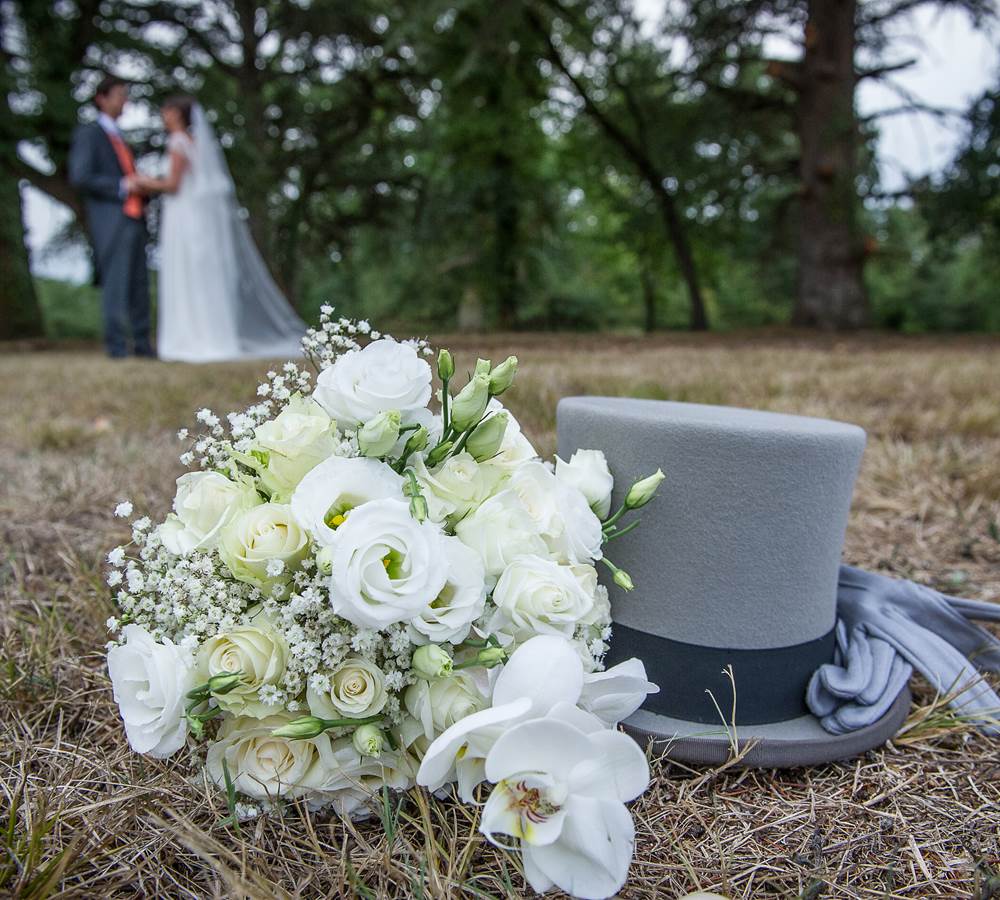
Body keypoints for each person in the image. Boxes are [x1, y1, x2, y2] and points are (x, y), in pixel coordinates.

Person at [132, 95, 305, 362]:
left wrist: (143, 182)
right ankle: (210, 335)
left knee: (185, 273)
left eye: (167, 111)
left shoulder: (178, 142)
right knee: (197, 276)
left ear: (178, 114)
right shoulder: (196, 143)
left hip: (182, 216)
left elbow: (173, 185)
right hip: (192, 216)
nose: (163, 115)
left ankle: (189, 339)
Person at [68, 76, 154, 359]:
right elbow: (80, 176)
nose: (124, 101)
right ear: (101, 99)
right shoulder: (90, 134)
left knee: (139, 283)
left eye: (125, 95)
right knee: (116, 284)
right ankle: (117, 347)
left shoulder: (121, 137)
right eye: (119, 95)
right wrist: (121, 185)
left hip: (136, 217)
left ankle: (142, 343)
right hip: (112, 219)